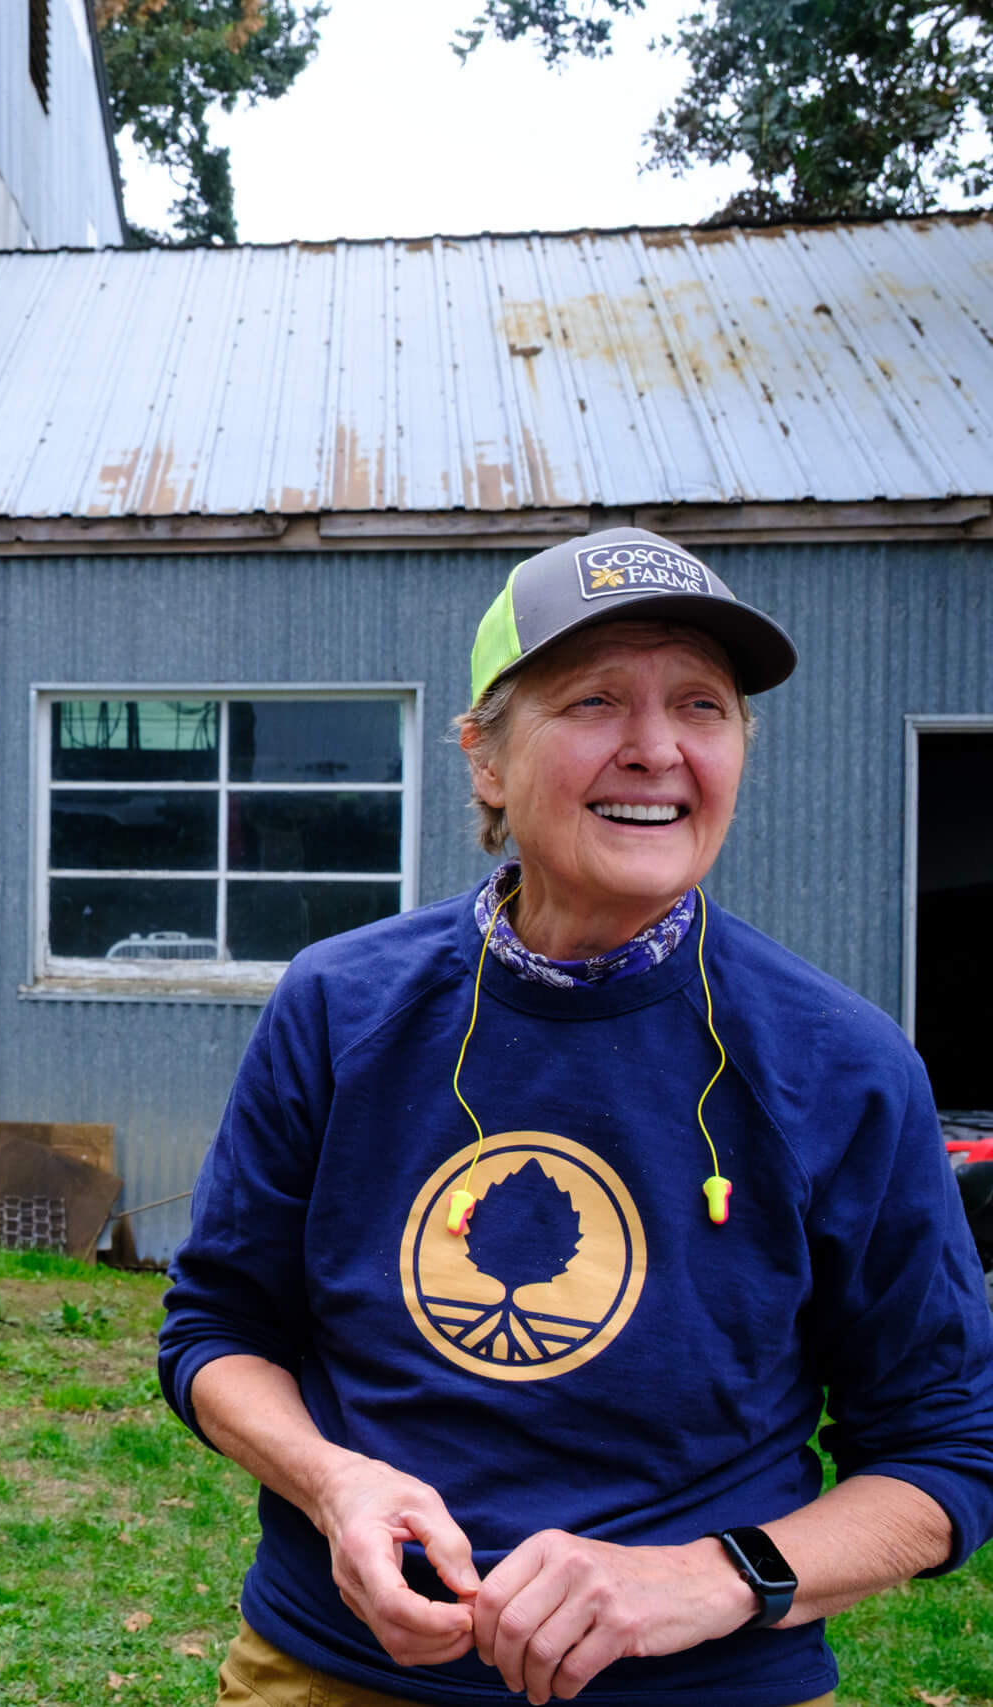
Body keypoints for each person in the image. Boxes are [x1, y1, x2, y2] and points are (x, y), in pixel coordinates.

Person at [159, 528, 993, 1707]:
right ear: (487, 758)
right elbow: (215, 1327)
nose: (653, 749)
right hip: (333, 1670)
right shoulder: (341, 1007)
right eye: (593, 700)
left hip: (701, 1687)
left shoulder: (841, 1066)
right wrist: (331, 1481)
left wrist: (718, 1576)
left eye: (701, 706)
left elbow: (945, 1450)